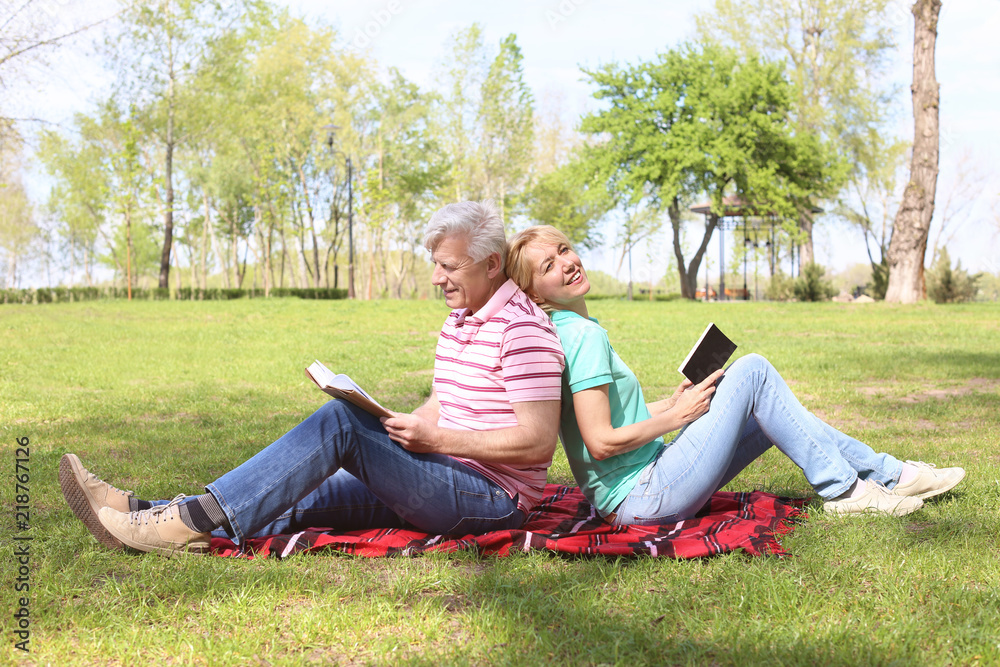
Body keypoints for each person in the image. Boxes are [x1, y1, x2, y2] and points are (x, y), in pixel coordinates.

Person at [60, 201, 565, 556]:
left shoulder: (521, 331)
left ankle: (181, 526)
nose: (436, 278)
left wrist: (439, 438)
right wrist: (409, 423)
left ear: (492, 263)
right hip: (442, 471)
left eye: (448, 266)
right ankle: (147, 513)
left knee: (341, 422)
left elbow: (537, 442)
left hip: (493, 501)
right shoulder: (460, 318)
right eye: (435, 264)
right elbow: (444, 399)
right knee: (291, 492)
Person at [505, 225, 965, 524]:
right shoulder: (581, 337)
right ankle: (846, 489)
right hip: (642, 498)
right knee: (754, 372)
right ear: (534, 293)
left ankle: (891, 474)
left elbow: (612, 419)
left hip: (644, 486)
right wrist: (678, 416)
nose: (566, 262)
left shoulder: (573, 329)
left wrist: (677, 401)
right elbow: (601, 441)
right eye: (548, 266)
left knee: (767, 409)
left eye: (564, 250)